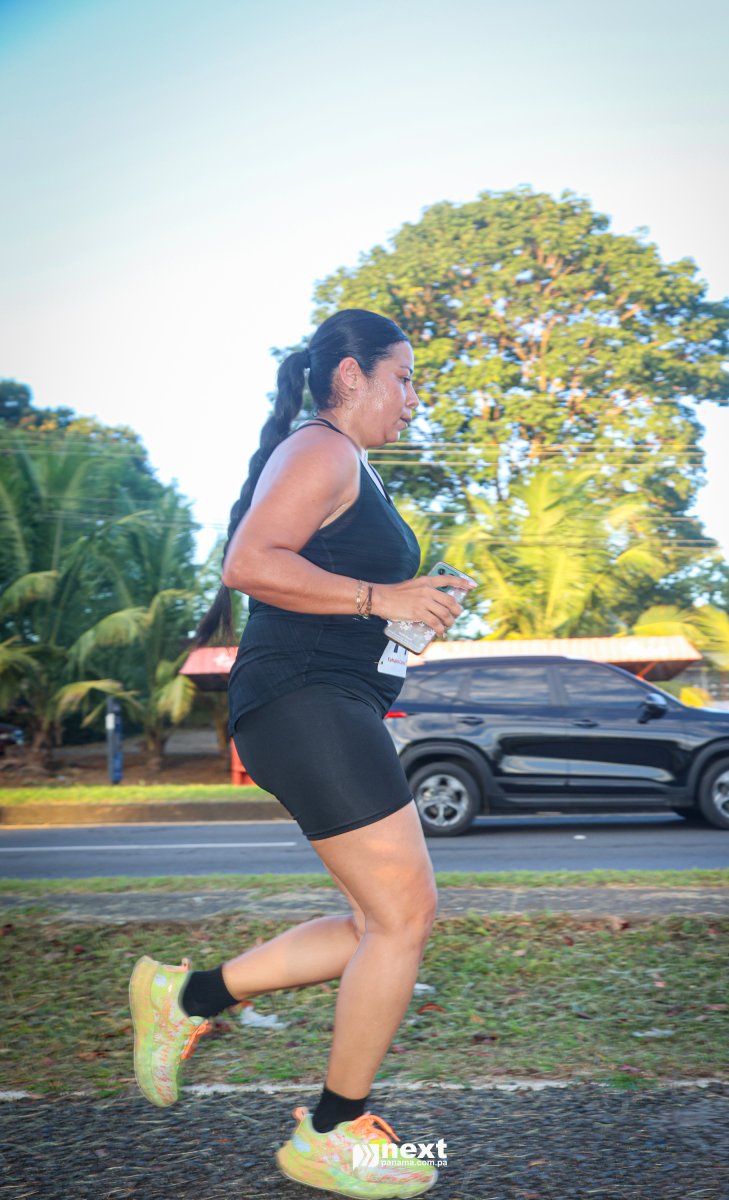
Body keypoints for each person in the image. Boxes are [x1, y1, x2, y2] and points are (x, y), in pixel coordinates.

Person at [128, 308, 475, 1198]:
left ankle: (188, 997)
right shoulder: (320, 449)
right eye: (403, 377)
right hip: (303, 700)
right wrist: (382, 597)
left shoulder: (346, 463)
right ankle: (331, 1132)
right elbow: (249, 563)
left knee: (375, 923)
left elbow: (327, 589)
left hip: (324, 699)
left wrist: (405, 610)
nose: (413, 397)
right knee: (405, 915)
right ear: (352, 375)